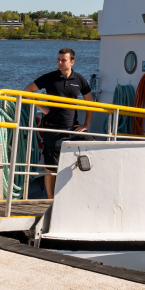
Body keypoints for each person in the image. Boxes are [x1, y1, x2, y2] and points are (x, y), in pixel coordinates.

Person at [24, 47, 95, 199]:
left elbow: (91, 102)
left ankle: (79, 195)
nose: (60, 62)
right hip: (53, 129)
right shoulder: (49, 78)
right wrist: (43, 108)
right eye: (58, 59)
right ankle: (50, 201)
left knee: (93, 149)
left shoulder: (79, 80)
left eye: (63, 60)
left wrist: (86, 124)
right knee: (50, 168)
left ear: (72, 62)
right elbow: (27, 91)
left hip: (72, 128)